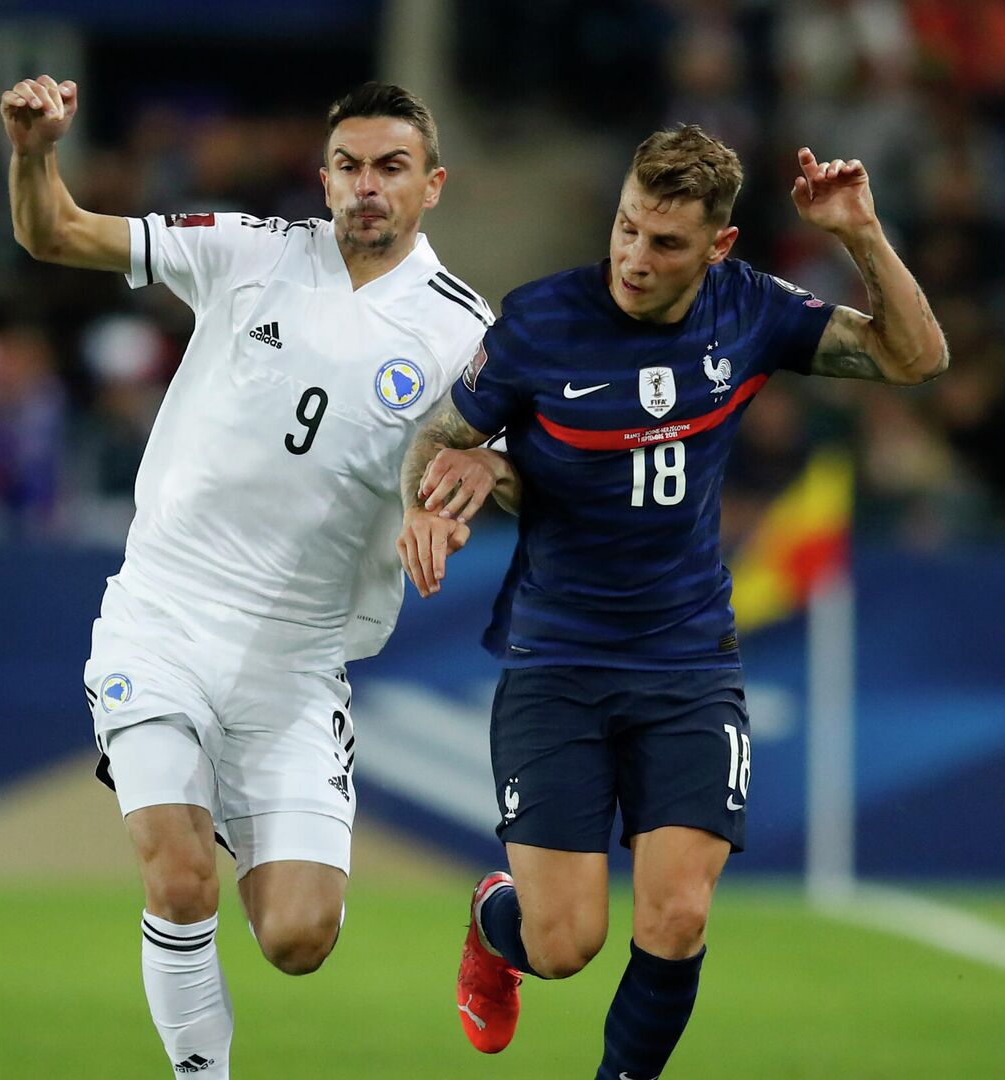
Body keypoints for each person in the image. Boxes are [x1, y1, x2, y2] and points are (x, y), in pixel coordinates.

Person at [396, 126, 948, 1079]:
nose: (633, 259)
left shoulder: (751, 312)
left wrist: (860, 233)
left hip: (688, 659)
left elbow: (916, 358)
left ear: (719, 248)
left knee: (679, 912)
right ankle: (498, 926)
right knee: (564, 942)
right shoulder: (538, 323)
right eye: (625, 228)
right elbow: (440, 435)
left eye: (666, 244)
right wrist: (437, 501)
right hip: (558, 659)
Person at [1, 76, 491, 1078]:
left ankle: (229, 791)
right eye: (349, 166)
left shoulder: (464, 332)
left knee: (299, 938)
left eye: (391, 168)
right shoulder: (250, 250)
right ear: (323, 176)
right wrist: (33, 151)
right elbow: (56, 235)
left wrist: (477, 471)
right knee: (179, 879)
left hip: (299, 659)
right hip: (164, 618)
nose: (367, 186)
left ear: (431, 185)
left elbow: (524, 467)